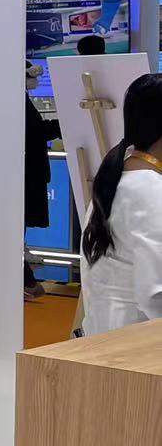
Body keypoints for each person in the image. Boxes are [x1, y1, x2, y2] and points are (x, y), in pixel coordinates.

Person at [79, 74, 162, 337]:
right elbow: (155, 295)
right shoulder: (149, 189)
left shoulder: (116, 176)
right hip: (136, 343)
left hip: (105, 335)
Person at [24, 62, 60, 301]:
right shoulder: (17, 101)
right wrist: (62, 123)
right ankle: (26, 279)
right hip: (27, 171)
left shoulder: (19, 99)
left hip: (29, 171)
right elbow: (36, 132)